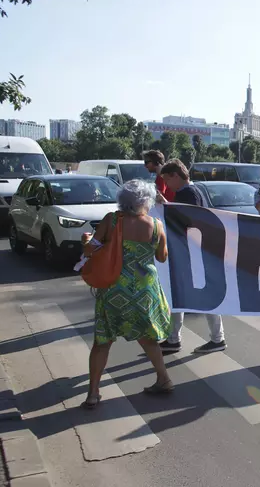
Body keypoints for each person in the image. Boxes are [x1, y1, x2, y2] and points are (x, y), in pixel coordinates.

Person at [81, 180, 174, 408]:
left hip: (114, 287)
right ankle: (164, 379)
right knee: (148, 338)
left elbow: (90, 249)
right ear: (147, 201)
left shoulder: (111, 220)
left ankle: (93, 393)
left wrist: (85, 240)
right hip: (144, 290)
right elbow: (162, 257)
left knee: (102, 341)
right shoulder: (156, 225)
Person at [158, 159, 227, 354]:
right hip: (195, 251)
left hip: (191, 252)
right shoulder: (195, 191)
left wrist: (164, 205)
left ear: (175, 176)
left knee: (185, 294)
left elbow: (185, 220)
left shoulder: (186, 193)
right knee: (181, 294)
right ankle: (177, 338)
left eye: (167, 180)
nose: (166, 185)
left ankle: (214, 338)